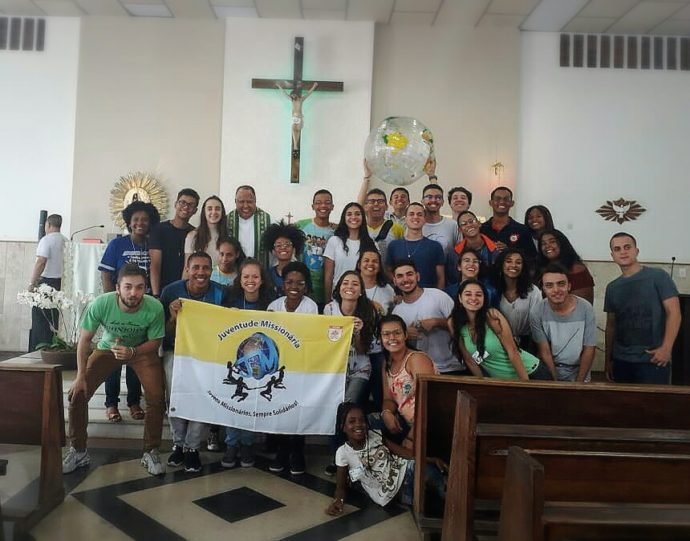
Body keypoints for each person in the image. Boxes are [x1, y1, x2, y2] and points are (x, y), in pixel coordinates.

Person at [62, 264, 166, 476]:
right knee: (77, 394)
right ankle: (79, 451)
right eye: (128, 287)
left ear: (146, 288)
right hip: (108, 349)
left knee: (156, 398)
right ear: (117, 288)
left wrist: (133, 352)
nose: (133, 293)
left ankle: (151, 451)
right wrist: (80, 376)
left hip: (141, 351)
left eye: (139, 287)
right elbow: (84, 341)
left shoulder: (155, 307)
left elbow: (155, 342)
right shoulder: (102, 303)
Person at [160, 252, 228, 473]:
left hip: (207, 356)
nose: (201, 272)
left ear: (211, 270)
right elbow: (163, 331)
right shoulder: (170, 292)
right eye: (196, 267)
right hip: (175, 351)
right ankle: (178, 444)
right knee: (174, 397)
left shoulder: (220, 293)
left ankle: (192, 448)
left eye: (205, 268)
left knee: (202, 398)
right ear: (187, 270)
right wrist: (173, 317)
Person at [98, 201, 160, 423]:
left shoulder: (153, 245)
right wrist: (111, 301)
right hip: (119, 307)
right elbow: (106, 274)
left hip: (144, 310)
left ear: (151, 222)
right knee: (113, 357)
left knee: (136, 354)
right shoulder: (117, 244)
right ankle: (111, 404)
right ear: (129, 222)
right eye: (136, 220)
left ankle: (134, 401)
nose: (140, 223)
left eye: (145, 220)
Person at [604, 232, 681, 385]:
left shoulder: (658, 277)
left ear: (636, 251)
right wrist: (608, 360)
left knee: (655, 401)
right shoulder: (612, 287)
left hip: (653, 359)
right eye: (617, 249)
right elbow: (611, 325)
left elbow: (674, 313)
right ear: (612, 255)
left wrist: (666, 349)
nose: (623, 252)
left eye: (627, 247)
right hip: (621, 361)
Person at [221, 258, 275, 468]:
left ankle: (247, 444)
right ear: (240, 279)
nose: (250, 280)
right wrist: (228, 316)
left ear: (262, 280)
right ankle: (231, 444)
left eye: (255, 276)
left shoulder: (271, 303)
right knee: (235, 401)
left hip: (261, 361)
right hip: (235, 358)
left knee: (252, 401)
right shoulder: (230, 299)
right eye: (246, 276)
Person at [323, 271, 378, 475]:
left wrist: (359, 333)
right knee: (334, 411)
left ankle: (354, 457)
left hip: (359, 369)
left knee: (347, 409)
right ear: (338, 288)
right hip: (335, 370)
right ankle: (337, 457)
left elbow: (365, 350)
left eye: (355, 284)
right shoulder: (329, 309)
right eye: (345, 283)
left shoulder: (369, 311)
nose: (350, 287)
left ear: (361, 290)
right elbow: (324, 342)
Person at [266, 262, 317, 474]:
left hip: (300, 367)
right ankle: (282, 451)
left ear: (306, 286)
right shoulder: (274, 306)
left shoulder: (311, 307)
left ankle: (297, 451)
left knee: (297, 410)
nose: (294, 286)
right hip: (278, 367)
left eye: (300, 283)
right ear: (283, 284)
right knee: (279, 409)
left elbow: (308, 337)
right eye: (289, 282)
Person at [451, 279, 553, 381]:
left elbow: (512, 351)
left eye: (478, 295)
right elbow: (470, 361)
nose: (473, 298)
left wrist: (524, 384)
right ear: (460, 298)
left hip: (531, 373)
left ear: (484, 298)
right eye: (468, 294)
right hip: (503, 382)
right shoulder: (455, 324)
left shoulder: (492, 316)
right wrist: (483, 384)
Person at [325, 402, 415, 513]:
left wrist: (429, 460)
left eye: (362, 420)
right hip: (389, 492)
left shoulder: (376, 434)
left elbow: (404, 453)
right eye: (352, 421)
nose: (358, 424)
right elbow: (340, 487)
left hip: (405, 470)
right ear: (343, 427)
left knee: (425, 472)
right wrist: (338, 501)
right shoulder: (343, 453)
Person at [371, 315, 436, 450]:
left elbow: (429, 401)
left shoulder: (416, 359)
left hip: (428, 424)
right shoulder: (386, 363)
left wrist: (412, 437)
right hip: (405, 423)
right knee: (367, 423)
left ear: (405, 335)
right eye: (386, 334)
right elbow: (388, 399)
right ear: (380, 339)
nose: (392, 338)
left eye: (397, 333)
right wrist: (386, 413)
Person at [391, 261, 465, 375]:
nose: (405, 279)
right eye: (400, 276)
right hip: (421, 371)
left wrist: (437, 322)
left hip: (453, 367)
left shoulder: (438, 296)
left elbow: (462, 324)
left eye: (409, 274)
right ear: (395, 281)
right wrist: (404, 335)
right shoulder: (396, 312)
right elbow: (394, 346)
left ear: (418, 276)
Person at [530, 264, 596, 382]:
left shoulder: (586, 308)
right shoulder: (537, 311)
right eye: (549, 285)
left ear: (569, 286)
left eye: (561, 284)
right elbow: (545, 351)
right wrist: (555, 382)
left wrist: (579, 384)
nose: (556, 290)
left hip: (580, 372)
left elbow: (589, 348)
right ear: (543, 289)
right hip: (549, 372)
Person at [149, 188, 199, 297]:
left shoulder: (194, 234)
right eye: (182, 202)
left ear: (195, 210)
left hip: (184, 291)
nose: (186, 207)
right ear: (176, 204)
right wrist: (156, 295)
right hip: (161, 290)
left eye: (190, 205)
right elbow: (155, 265)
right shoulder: (159, 230)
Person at [323, 202, 376, 303]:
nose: (353, 217)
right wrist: (327, 302)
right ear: (344, 218)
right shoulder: (334, 241)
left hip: (363, 297)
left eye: (357, 214)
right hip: (338, 296)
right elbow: (328, 276)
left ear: (363, 217)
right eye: (349, 214)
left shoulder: (370, 243)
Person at [28, 214, 66, 352]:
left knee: (40, 319)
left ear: (48, 225)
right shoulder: (66, 240)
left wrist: (32, 283)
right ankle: (54, 348)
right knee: (55, 319)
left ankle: (39, 349)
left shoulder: (46, 240)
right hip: (61, 284)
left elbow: (41, 262)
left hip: (46, 284)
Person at [386, 202, 445, 289]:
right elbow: (388, 272)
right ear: (405, 218)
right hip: (402, 295)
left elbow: (441, 278)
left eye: (419, 214)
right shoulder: (394, 246)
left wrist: (438, 295)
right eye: (411, 214)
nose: (415, 217)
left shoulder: (435, 246)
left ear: (425, 219)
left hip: (429, 294)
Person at [493, 248, 542, 352]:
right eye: (508, 261)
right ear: (501, 264)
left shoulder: (533, 291)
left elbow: (537, 323)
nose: (513, 265)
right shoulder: (492, 290)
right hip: (497, 343)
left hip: (527, 345)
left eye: (518, 262)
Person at [295, 189, 336, 307]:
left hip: (326, 289)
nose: (323, 206)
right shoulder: (301, 225)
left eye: (327, 202)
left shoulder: (337, 231)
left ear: (332, 207)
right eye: (318, 203)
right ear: (313, 206)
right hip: (303, 289)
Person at [537, 229, 594, 304]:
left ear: (562, 244)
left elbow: (582, 304)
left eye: (552, 242)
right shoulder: (542, 268)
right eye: (543, 243)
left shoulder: (576, 269)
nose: (547, 246)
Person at [479, 186, 536, 261]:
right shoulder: (481, 229)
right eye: (498, 199)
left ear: (512, 203)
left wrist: (509, 251)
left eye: (506, 199)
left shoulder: (522, 230)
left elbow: (532, 257)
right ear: (491, 203)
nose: (502, 202)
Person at [226, 185, 272, 268]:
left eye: (249, 201)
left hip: (260, 270)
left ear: (255, 201)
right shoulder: (227, 220)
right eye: (241, 202)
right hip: (234, 270)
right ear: (235, 201)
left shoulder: (267, 220)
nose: (245, 206)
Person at [183, 195, 228, 272]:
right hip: (200, 277)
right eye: (209, 209)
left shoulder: (229, 235)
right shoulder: (192, 236)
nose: (213, 212)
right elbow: (187, 268)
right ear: (204, 212)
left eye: (217, 209)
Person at [262, 221, 306, 297]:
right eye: (278, 245)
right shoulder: (268, 275)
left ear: (294, 250)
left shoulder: (302, 273)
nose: (283, 248)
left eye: (287, 244)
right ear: (273, 251)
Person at [276, 81, 318, 151]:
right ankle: (295, 145)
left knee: (297, 130)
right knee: (293, 129)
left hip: (299, 117)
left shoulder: (301, 100)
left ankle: (295, 145)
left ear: (295, 94)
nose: (292, 96)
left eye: (293, 95)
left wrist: (314, 86)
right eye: (292, 96)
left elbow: (308, 93)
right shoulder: (292, 100)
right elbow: (284, 94)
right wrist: (279, 86)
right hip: (294, 118)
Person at [421, 183, 458, 256]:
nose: (433, 200)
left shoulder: (453, 225)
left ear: (443, 202)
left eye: (438, 197)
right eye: (429, 197)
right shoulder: (415, 225)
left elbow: (459, 252)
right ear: (422, 201)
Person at [357, 249, 395, 316]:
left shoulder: (388, 290)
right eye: (366, 260)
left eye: (375, 261)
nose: (370, 264)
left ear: (380, 267)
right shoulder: (350, 287)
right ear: (359, 265)